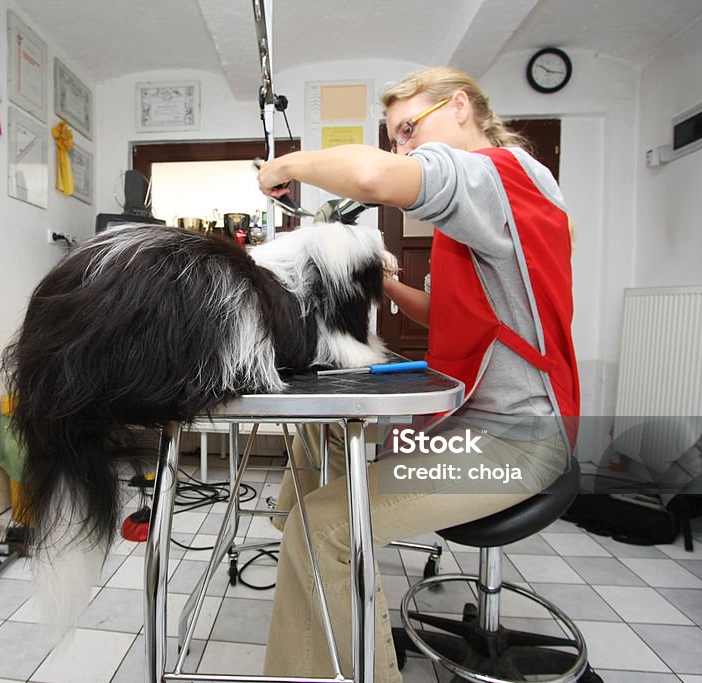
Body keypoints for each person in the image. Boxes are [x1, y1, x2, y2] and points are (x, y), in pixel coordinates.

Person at [255, 66, 580, 682]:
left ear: (461, 107)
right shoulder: (488, 208)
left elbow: (375, 176)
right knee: (315, 451)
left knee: (324, 524)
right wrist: (384, 283)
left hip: (517, 441)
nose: (406, 149)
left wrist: (286, 167)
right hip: (471, 425)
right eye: (398, 139)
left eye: (409, 130)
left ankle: (336, 636)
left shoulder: (498, 175)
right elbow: (450, 318)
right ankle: (324, 618)